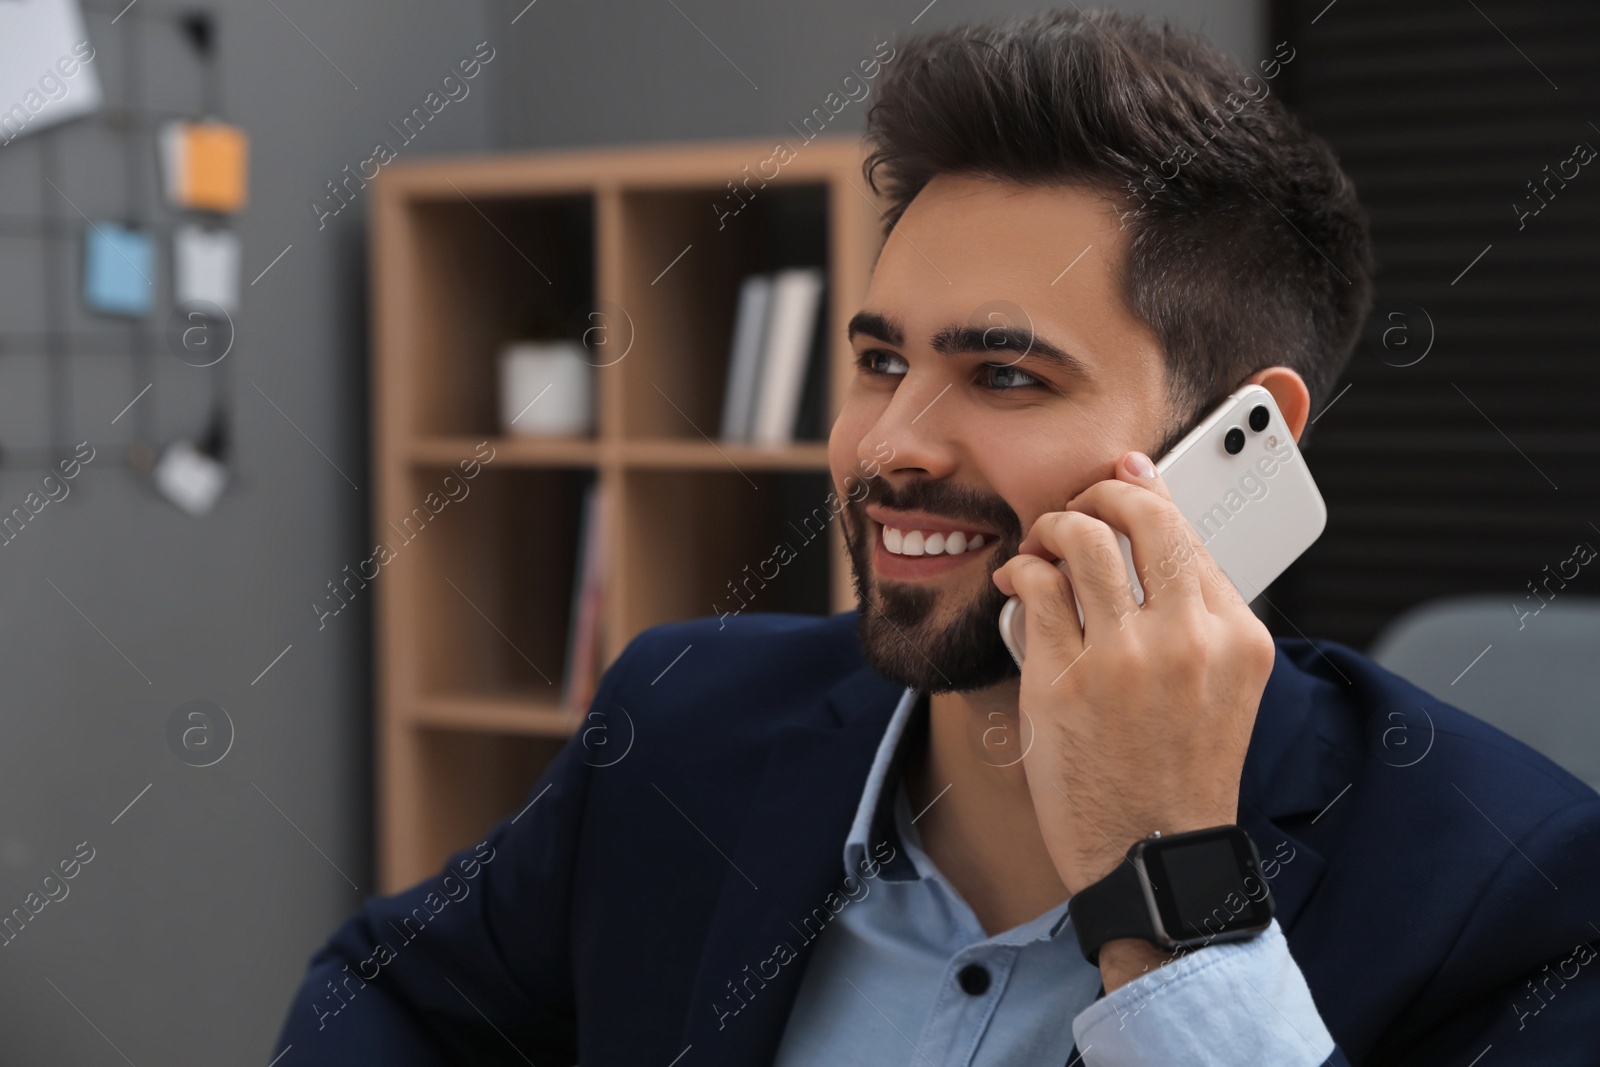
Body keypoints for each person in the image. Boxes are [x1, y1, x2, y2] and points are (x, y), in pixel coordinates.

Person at [273, 8, 1600, 1065]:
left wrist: (1169, 902)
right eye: (878, 359)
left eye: (1007, 375)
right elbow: (389, 1002)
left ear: (1244, 442)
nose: (888, 442)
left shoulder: (1513, 891)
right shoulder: (678, 724)